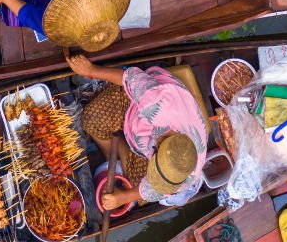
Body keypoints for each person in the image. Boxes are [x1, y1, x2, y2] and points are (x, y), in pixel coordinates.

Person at [67, 52, 207, 209]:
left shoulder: (186, 172)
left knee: (141, 197)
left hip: (142, 137)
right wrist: (90, 70)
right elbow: (128, 78)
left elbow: (157, 191)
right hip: (137, 101)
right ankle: (115, 146)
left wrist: (123, 198)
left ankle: (118, 145)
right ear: (157, 145)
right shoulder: (157, 105)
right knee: (92, 120)